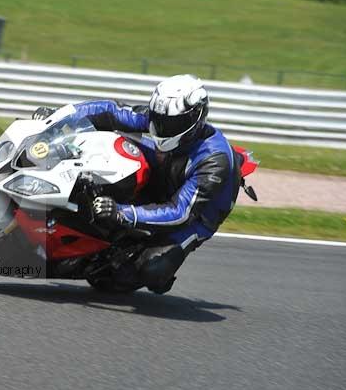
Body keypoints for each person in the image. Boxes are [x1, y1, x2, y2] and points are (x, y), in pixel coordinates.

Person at [32, 74, 241, 294]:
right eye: (159, 119)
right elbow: (109, 111)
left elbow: (180, 212)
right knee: (113, 147)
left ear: (196, 119)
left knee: (149, 269)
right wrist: (58, 118)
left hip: (195, 218)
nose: (162, 127)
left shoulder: (214, 161)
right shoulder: (159, 120)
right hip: (167, 172)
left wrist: (122, 214)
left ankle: (143, 266)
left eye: (172, 123)